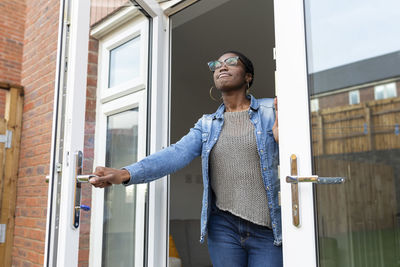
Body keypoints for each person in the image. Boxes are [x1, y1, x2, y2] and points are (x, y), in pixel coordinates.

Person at [90, 51, 282, 267]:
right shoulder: (207, 125)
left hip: (268, 228)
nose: (222, 67)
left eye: (230, 62)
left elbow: (298, 155)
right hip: (223, 226)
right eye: (217, 64)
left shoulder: (271, 110)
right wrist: (126, 173)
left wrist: (284, 140)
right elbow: (176, 153)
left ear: (248, 76)